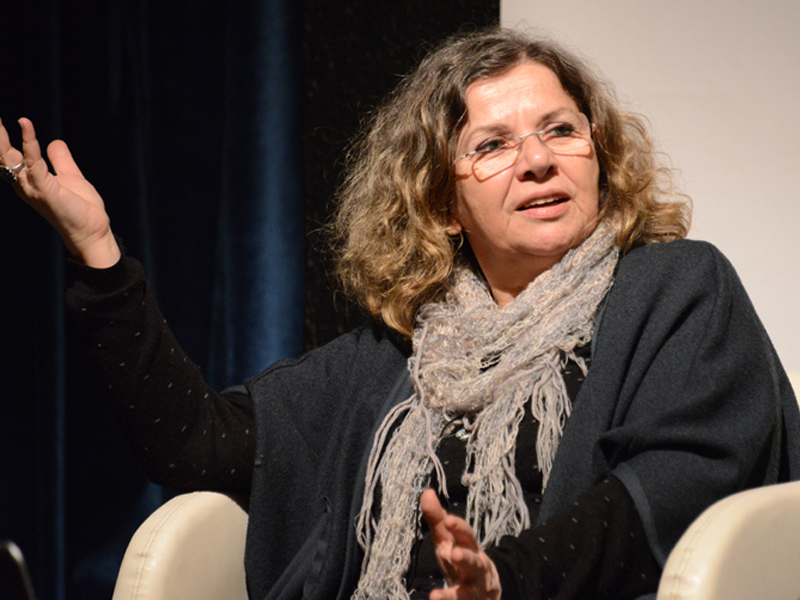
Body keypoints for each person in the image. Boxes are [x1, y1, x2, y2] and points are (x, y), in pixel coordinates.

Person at [2, 27, 798, 600]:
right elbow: (194, 444)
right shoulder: (398, 355)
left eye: (561, 130)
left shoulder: (676, 286)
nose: (538, 159)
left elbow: (677, 485)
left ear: (599, 155)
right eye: (493, 145)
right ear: (444, 206)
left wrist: (503, 579)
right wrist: (99, 253)